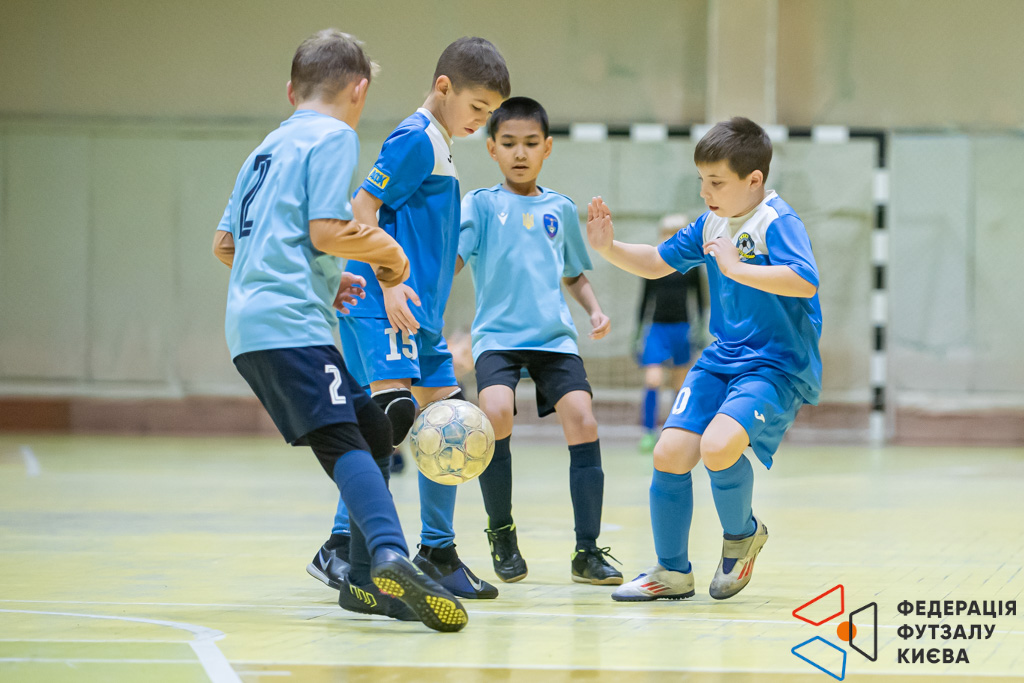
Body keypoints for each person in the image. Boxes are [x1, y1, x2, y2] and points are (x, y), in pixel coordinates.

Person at [212, 29, 467, 632]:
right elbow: (329, 229)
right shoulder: (333, 136)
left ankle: (359, 585)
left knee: (373, 429)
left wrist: (325, 281)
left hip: (252, 324)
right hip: (289, 326)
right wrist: (388, 257)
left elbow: (226, 245)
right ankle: (389, 556)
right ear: (359, 90)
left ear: (290, 90)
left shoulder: (264, 150)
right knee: (345, 442)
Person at [585, 117, 822, 602]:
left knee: (718, 447)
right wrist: (609, 248)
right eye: (701, 180)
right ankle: (671, 572)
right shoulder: (711, 222)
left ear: (753, 180)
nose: (704, 192)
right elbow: (657, 262)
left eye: (716, 182)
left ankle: (742, 537)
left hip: (773, 365)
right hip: (721, 358)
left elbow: (805, 281)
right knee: (669, 453)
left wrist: (736, 267)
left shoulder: (777, 221)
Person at [307, 37, 510, 601]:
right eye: (477, 107)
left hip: (417, 315)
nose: (481, 120)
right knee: (390, 421)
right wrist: (391, 282)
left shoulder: (441, 144)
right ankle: (342, 547)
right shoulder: (416, 138)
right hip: (383, 303)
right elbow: (361, 208)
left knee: (449, 422)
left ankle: (437, 553)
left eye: (489, 112)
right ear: (444, 87)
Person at [457, 96, 622, 586]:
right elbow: (454, 261)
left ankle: (587, 552)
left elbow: (573, 273)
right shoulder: (480, 204)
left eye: (530, 143)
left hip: (553, 338)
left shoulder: (560, 208)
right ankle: (502, 532)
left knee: (583, 419)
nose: (520, 153)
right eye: (509, 143)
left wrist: (594, 309)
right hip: (497, 337)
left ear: (547, 148)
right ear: (492, 148)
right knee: (495, 413)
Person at [634, 214, 706, 453]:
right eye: (666, 232)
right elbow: (645, 300)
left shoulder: (692, 267)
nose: (670, 237)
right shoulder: (652, 263)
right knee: (653, 379)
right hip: (657, 329)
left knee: (679, 383)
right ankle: (648, 431)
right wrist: (637, 334)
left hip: (682, 329)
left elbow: (701, 301)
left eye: (675, 232)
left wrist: (700, 330)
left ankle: (676, 432)